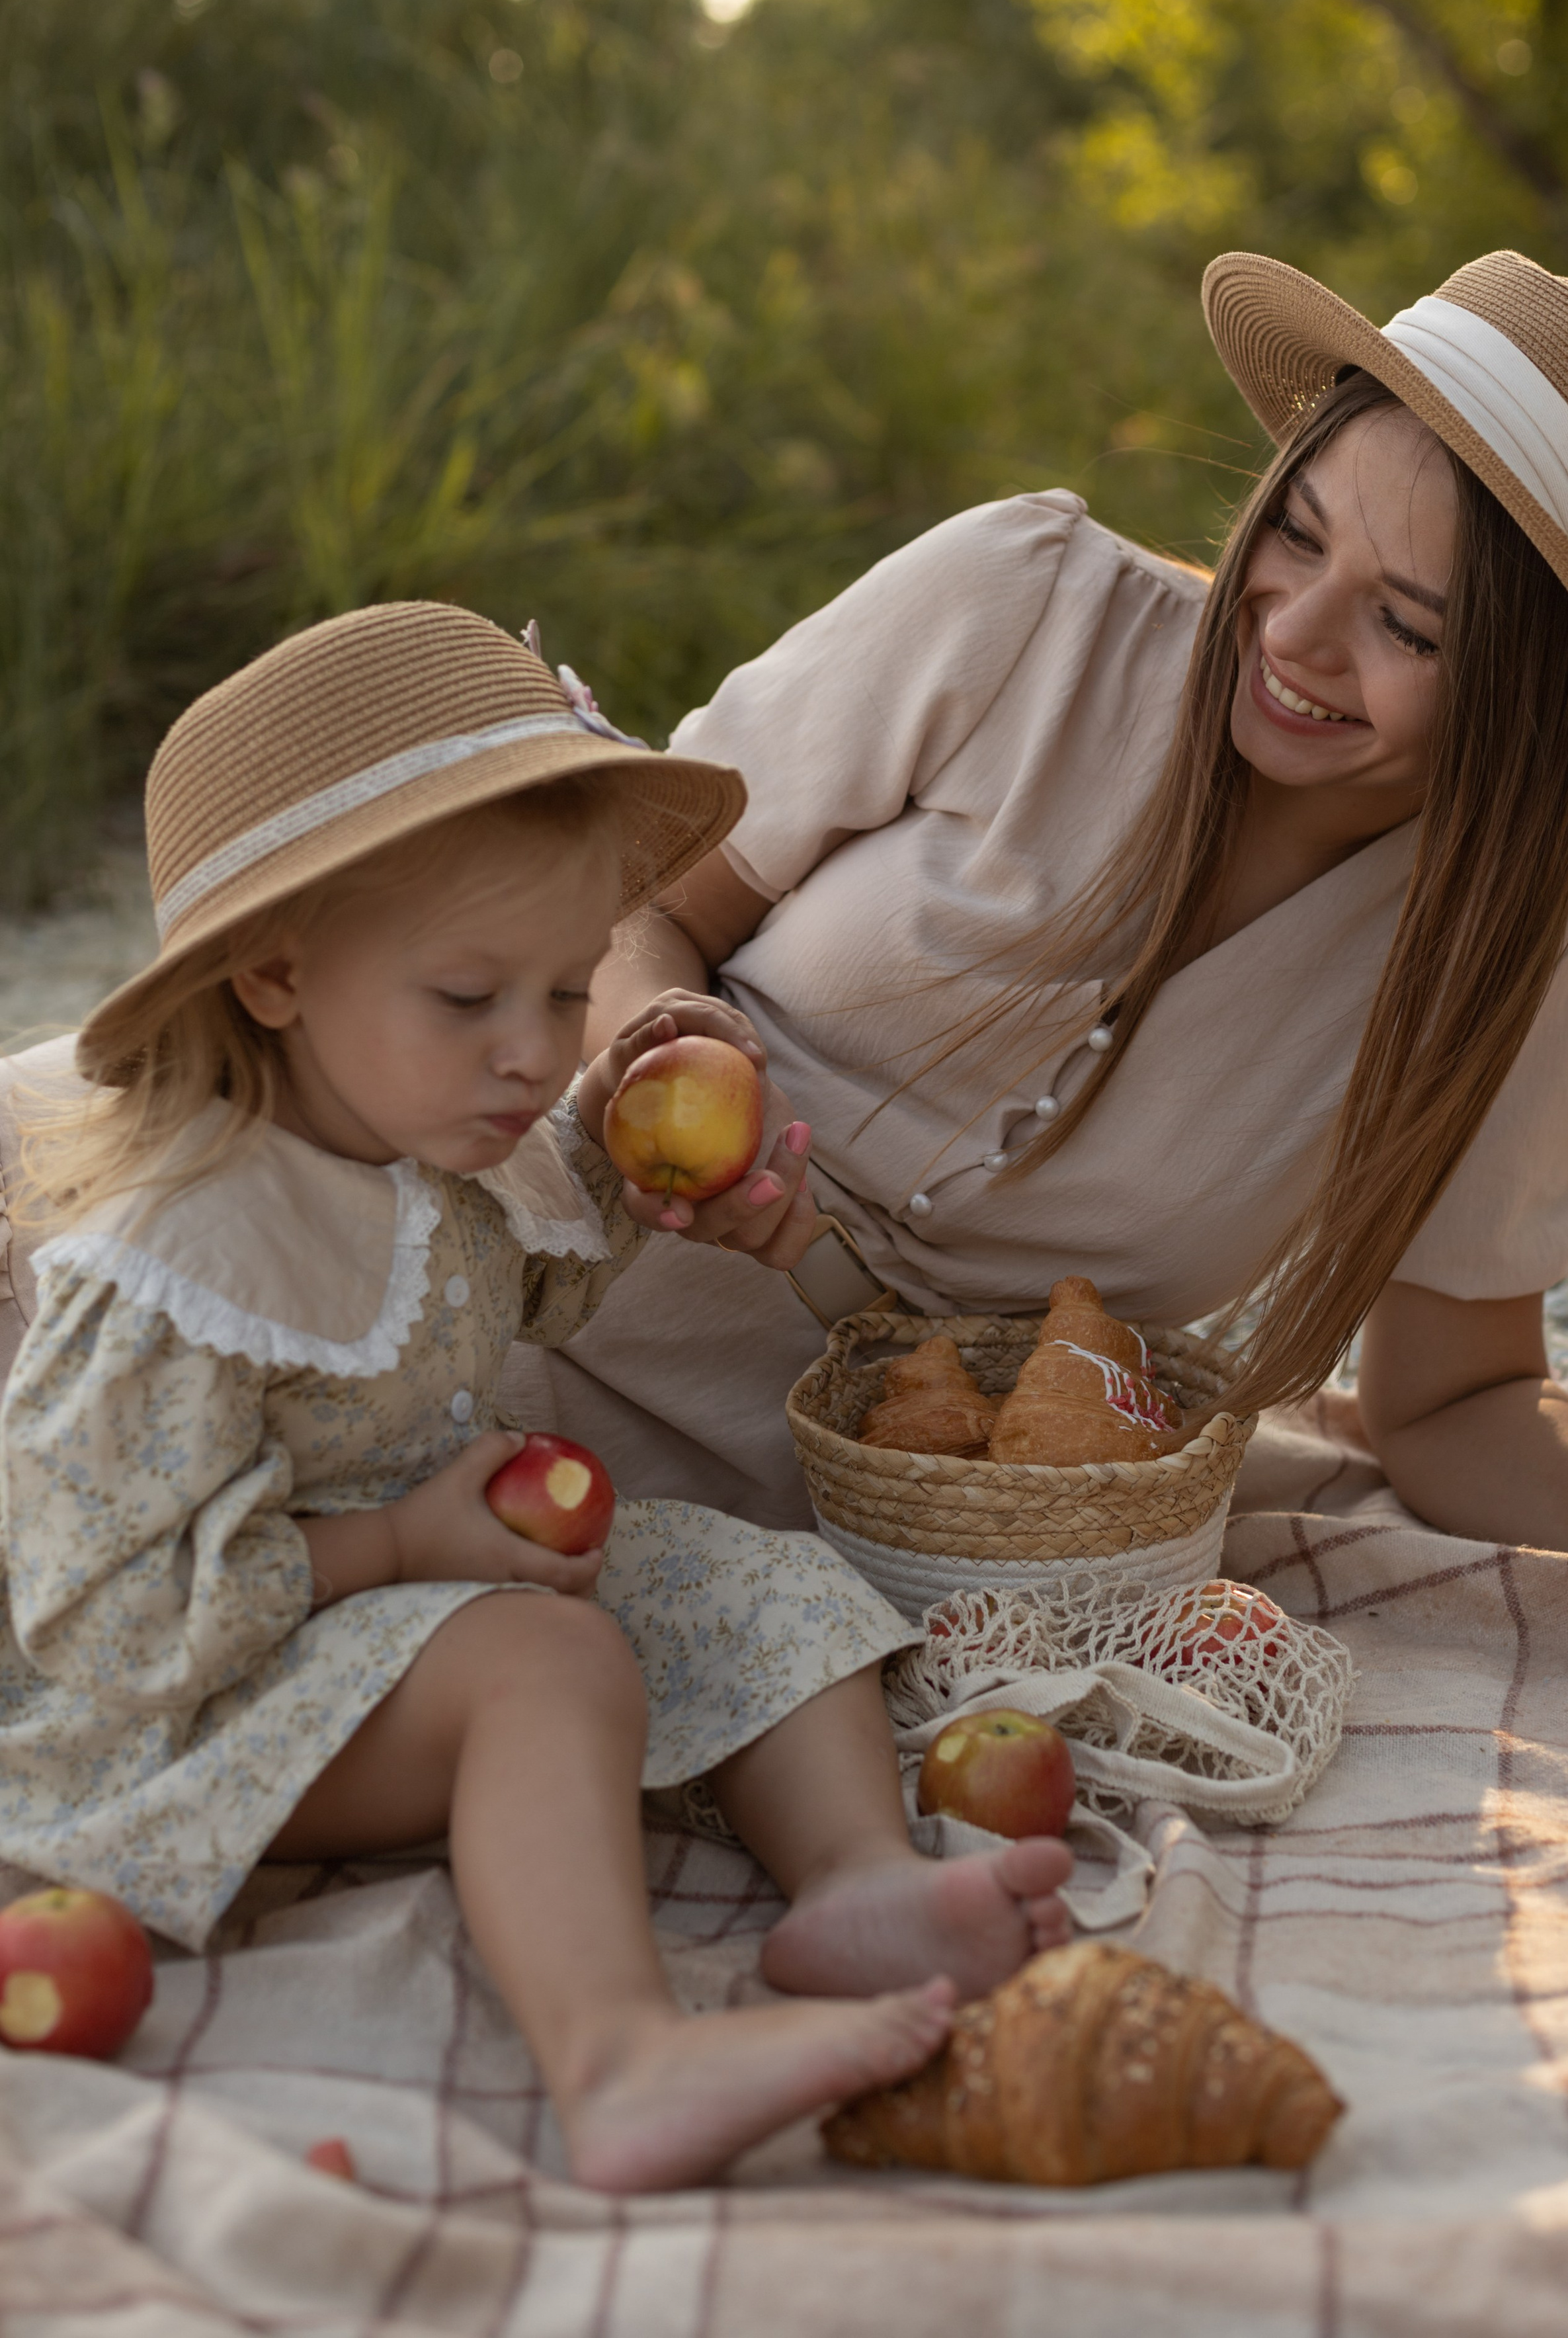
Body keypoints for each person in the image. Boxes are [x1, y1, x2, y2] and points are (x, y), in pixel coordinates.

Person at [0, 605, 1072, 2194]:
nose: (529, 1056)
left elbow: (516, 1283)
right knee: (541, 1659)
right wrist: (396, 1550)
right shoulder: (188, 1259)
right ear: (276, 975)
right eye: (468, 997)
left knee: (734, 1573)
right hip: (173, 1714)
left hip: (389, 1617)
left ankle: (854, 1880)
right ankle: (615, 2057)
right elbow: (101, 1613)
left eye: (566, 994)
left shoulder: (418, 1140)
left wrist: (641, 1162)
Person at [519, 249, 1568, 1609]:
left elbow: (1456, 1402)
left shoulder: (1534, 950)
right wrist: (661, 1037)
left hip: (884, 1558)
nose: (1294, 634)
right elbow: (641, 903)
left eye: (1408, 629)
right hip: (495, 1313)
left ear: (1533, 694)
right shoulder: (1021, 604)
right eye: (1297, 533)